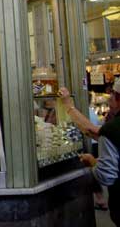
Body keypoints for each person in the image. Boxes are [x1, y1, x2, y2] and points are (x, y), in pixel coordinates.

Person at [59, 83, 120, 225]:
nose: (109, 98)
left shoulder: (111, 129)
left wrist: (93, 162)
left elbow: (107, 176)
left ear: (117, 97)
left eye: (112, 94)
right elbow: (93, 131)